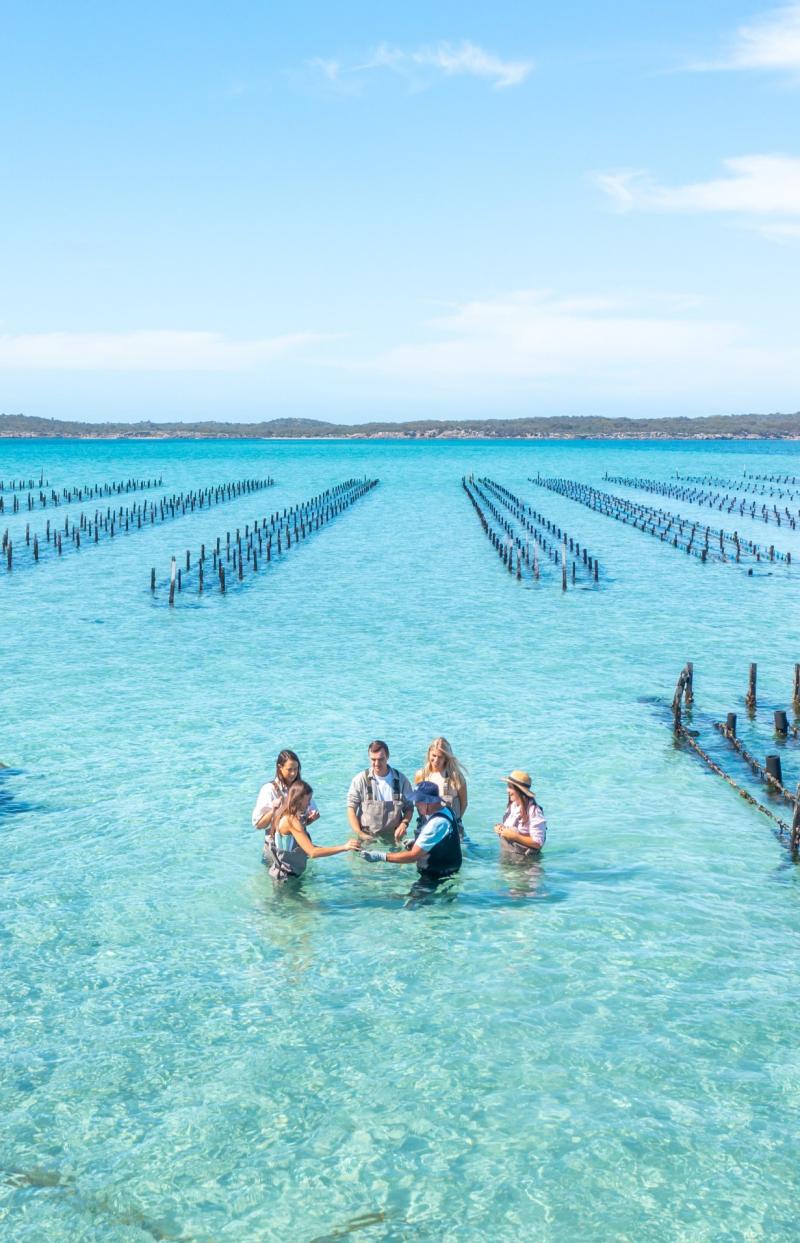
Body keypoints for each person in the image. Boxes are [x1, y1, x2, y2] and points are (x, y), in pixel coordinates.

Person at [359, 781, 462, 880]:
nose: (415, 804)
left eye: (418, 801)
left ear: (428, 802)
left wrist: (380, 856)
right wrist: (417, 840)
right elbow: (443, 836)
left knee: (412, 898)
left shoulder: (436, 823)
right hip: (449, 867)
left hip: (437, 875)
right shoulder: (447, 809)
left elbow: (413, 856)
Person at [267, 780, 357, 881]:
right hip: (287, 879)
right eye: (308, 799)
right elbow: (312, 852)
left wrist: (308, 821)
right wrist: (344, 847)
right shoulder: (291, 820)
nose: (309, 804)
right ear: (299, 799)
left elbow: (300, 846)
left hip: (283, 874)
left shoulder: (282, 813)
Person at [347, 740, 414, 844]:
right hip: (367, 837)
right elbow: (351, 808)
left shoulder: (401, 780)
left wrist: (404, 824)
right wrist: (359, 833)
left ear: (387, 757)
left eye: (380, 759)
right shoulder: (360, 780)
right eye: (373, 759)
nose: (377, 764)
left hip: (394, 837)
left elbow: (409, 808)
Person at [252, 749, 320, 849]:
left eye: (296, 769)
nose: (293, 773)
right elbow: (258, 825)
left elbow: (298, 823)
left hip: (299, 846)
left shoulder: (300, 789)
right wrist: (273, 810)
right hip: (276, 850)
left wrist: (310, 819)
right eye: (289, 769)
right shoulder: (269, 789)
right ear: (280, 767)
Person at [414, 736, 468, 830]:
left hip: (450, 826)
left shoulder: (456, 777)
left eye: (440, 757)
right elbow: (418, 803)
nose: (436, 760)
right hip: (426, 826)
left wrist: (456, 821)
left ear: (446, 758)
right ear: (429, 754)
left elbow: (464, 803)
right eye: (433, 755)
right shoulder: (421, 775)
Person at [494, 770, 547, 852]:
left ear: (519, 790)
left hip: (526, 862)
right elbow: (510, 831)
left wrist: (515, 837)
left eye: (510, 787)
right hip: (508, 856)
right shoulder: (512, 806)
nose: (507, 790)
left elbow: (538, 843)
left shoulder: (534, 811)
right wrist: (501, 829)